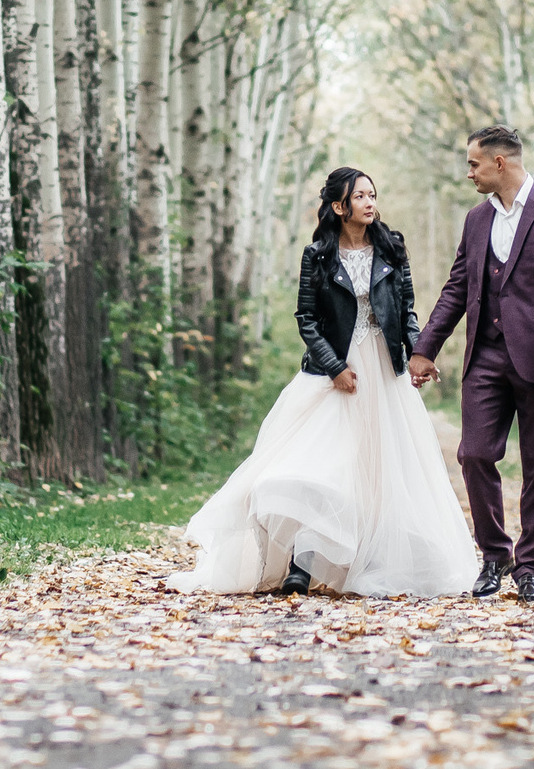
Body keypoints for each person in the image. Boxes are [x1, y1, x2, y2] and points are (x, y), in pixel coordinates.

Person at [169, 168, 481, 597]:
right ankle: (298, 561)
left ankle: (355, 560)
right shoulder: (317, 255)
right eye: (360, 196)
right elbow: (307, 318)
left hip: (383, 372)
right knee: (312, 463)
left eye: (373, 194)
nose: (370, 203)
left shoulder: (392, 248)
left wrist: (417, 354)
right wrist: (335, 367)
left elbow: (406, 311)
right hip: (331, 373)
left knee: (373, 472)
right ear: (339, 206)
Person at [409, 124, 534, 602]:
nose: (469, 172)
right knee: (474, 453)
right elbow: (456, 288)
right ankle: (494, 555)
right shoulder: (475, 220)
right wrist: (426, 348)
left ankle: (531, 567)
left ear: (499, 163)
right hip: (485, 356)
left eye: (473, 163)